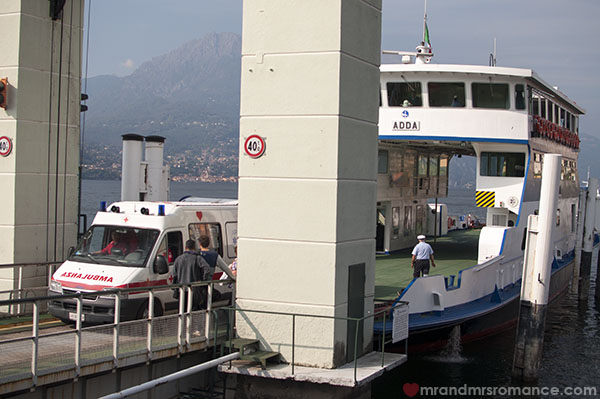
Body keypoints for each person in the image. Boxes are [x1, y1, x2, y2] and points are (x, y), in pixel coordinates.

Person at [172, 239, 211, 310]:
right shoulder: (197, 258)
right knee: (193, 311)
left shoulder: (178, 259)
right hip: (194, 290)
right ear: (194, 248)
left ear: (185, 247)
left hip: (182, 290)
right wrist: (203, 280)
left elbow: (174, 274)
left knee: (182, 311)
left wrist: (175, 287)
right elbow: (207, 269)